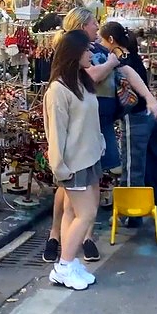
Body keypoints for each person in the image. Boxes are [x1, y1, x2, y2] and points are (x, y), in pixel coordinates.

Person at [42, 7, 157, 263]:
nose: (98, 27)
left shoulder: (97, 49)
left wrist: (149, 98)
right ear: (82, 26)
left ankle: (81, 241)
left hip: (97, 126)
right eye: (94, 22)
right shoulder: (72, 53)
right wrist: (110, 63)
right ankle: (60, 243)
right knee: (71, 192)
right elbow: (87, 78)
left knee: (88, 191)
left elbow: (126, 71)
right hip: (79, 132)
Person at [43, 30, 105, 291]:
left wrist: (99, 144)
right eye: (87, 49)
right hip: (73, 163)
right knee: (86, 213)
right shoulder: (58, 90)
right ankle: (64, 266)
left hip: (89, 157)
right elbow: (55, 132)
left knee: (73, 212)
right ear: (74, 53)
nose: (92, 53)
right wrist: (60, 168)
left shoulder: (81, 82)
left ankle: (68, 261)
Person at [99, 22, 157, 224]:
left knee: (132, 165)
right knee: (152, 161)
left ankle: (130, 213)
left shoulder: (121, 59)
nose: (100, 43)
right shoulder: (132, 55)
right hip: (149, 115)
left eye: (102, 39)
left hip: (135, 116)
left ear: (110, 40)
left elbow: (130, 82)